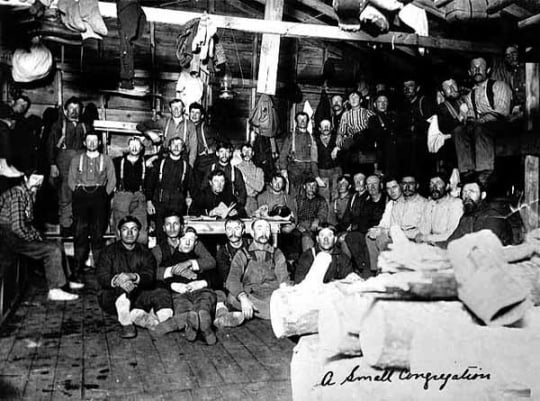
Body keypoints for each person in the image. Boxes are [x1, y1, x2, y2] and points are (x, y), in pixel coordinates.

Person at [0, 173, 80, 301]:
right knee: (51, 249)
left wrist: (37, 235)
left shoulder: (30, 193)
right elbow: (17, 227)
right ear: (25, 178)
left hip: (16, 234)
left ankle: (64, 282)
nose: (38, 181)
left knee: (57, 243)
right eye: (34, 178)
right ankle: (55, 289)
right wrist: (35, 237)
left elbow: (27, 222)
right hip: (9, 237)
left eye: (40, 178)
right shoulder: (18, 194)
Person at [96, 216, 173, 339]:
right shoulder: (108, 252)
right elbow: (102, 276)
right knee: (122, 291)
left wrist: (133, 276)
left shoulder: (145, 252)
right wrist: (119, 281)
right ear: (119, 232)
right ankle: (126, 323)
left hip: (138, 293)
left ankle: (161, 321)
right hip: (113, 296)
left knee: (162, 292)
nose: (130, 233)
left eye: (134, 229)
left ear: (139, 232)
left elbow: (149, 275)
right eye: (125, 229)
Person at [151, 213, 217, 338]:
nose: (172, 228)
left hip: (197, 287)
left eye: (175, 224)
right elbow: (151, 272)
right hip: (176, 289)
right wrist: (173, 271)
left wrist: (189, 263)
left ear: (181, 226)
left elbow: (211, 262)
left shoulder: (192, 242)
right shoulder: (159, 249)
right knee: (180, 304)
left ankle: (204, 325)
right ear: (163, 228)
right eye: (168, 224)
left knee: (204, 302)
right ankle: (188, 324)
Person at [68, 131, 116, 284]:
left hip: (99, 199)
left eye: (95, 140)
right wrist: (78, 191)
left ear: (99, 143)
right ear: (84, 142)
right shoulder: (77, 159)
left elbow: (112, 181)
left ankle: (100, 272)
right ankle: (76, 271)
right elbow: (71, 180)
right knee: (80, 234)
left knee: (97, 235)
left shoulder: (106, 159)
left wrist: (103, 195)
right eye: (89, 140)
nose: (92, 143)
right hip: (81, 198)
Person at [456, 57, 512, 186]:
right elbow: (470, 114)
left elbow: (502, 111)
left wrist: (480, 120)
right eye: (473, 68)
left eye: (480, 67)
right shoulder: (470, 95)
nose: (477, 70)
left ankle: (484, 172)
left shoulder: (499, 86)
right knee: (459, 131)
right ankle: (467, 171)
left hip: (501, 124)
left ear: (488, 70)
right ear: (469, 72)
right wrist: (469, 120)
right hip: (480, 126)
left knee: (481, 128)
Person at [226, 219, 291, 321]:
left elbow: (283, 278)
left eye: (267, 229)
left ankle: (252, 314)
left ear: (270, 233)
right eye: (259, 229)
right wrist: (243, 298)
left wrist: (285, 296)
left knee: (286, 301)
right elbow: (232, 279)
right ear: (252, 233)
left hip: (272, 296)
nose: (263, 233)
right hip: (251, 296)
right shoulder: (242, 253)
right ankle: (275, 315)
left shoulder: (277, 253)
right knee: (232, 297)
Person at [366, 175, 427, 273]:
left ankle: (385, 271)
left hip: (413, 238)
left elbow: (422, 230)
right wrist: (379, 229)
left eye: (394, 187)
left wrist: (386, 231)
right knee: (371, 236)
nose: (392, 191)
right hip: (397, 235)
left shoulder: (424, 203)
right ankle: (376, 270)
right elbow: (388, 224)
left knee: (383, 240)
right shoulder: (394, 204)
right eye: (388, 189)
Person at [47, 97, 88, 235]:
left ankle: (79, 226)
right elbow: (51, 146)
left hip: (81, 163)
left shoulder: (85, 126)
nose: (74, 111)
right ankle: (66, 226)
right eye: (71, 108)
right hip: (64, 162)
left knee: (81, 194)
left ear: (81, 111)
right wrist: (53, 164)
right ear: (65, 110)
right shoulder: (58, 126)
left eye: (77, 109)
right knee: (65, 194)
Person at [145, 136, 194, 243]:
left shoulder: (186, 166)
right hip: (160, 203)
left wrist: (190, 198)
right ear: (169, 147)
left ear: (182, 148)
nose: (176, 147)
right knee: (161, 234)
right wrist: (149, 202)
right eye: (173, 145)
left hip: (178, 204)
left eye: (179, 145)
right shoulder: (160, 164)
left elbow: (192, 187)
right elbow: (150, 184)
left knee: (176, 234)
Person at [340, 173, 385, 277]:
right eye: (369, 184)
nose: (372, 187)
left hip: (381, 233)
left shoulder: (386, 200)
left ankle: (374, 269)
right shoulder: (366, 203)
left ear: (380, 185)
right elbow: (360, 222)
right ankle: (362, 266)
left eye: (375, 184)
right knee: (351, 237)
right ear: (366, 186)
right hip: (367, 233)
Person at [444, 178, 512, 246]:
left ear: (483, 195)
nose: (467, 195)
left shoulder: (493, 216)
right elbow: (452, 241)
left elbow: (483, 248)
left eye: (472, 191)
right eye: (464, 192)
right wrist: (435, 245)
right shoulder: (466, 217)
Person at [137, 98, 198, 167]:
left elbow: (193, 148)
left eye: (179, 107)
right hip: (166, 156)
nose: (176, 109)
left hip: (182, 158)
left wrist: (189, 166)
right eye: (173, 107)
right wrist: (149, 133)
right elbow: (140, 125)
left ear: (183, 109)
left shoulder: (190, 125)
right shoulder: (164, 122)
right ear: (170, 109)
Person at [399, 79, 437, 186]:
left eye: (410, 86)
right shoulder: (403, 105)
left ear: (417, 88)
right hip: (408, 141)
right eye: (405, 87)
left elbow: (431, 122)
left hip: (424, 138)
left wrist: (416, 127)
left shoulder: (424, 102)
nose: (407, 89)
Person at [112, 136, 148, 244]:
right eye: (132, 145)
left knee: (141, 232)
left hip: (139, 197)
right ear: (128, 147)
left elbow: (163, 153)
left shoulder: (146, 162)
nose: (134, 148)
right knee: (121, 230)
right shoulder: (117, 162)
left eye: (137, 146)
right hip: (122, 197)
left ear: (141, 148)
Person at [278, 112, 319, 197]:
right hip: (294, 172)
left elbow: (315, 158)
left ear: (307, 122)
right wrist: (283, 170)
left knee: (308, 196)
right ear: (296, 121)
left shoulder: (311, 137)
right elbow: (283, 155)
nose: (302, 121)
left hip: (308, 172)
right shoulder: (291, 137)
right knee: (294, 197)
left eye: (304, 119)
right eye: (300, 119)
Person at [416, 174, 463, 244]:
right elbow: (424, 230)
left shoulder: (456, 203)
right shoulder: (429, 204)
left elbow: (451, 234)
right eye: (431, 184)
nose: (434, 187)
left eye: (438, 183)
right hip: (431, 245)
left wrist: (426, 238)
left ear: (447, 186)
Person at [336, 90, 375, 174]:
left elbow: (374, 130)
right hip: (352, 145)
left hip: (365, 144)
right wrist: (338, 141)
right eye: (351, 98)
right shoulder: (345, 114)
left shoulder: (368, 113)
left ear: (360, 100)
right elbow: (341, 132)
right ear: (349, 101)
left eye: (356, 97)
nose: (353, 100)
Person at [204, 141, 247, 211]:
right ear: (217, 153)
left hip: (229, 206)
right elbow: (204, 189)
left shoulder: (235, 171)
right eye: (221, 152)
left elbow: (242, 192)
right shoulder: (211, 169)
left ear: (230, 154)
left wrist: (236, 208)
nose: (224, 155)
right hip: (212, 205)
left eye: (227, 152)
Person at [367, 92, 399, 176]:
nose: (382, 104)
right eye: (379, 101)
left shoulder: (394, 117)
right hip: (382, 155)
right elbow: (377, 137)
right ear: (375, 104)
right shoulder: (373, 119)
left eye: (385, 101)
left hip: (396, 154)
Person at [10, 94, 43, 176]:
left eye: (25, 106)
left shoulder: (23, 121)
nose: (23, 107)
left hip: (17, 158)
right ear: (12, 102)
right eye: (21, 104)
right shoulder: (6, 115)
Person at [296, 176, 329, 252]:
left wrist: (317, 220)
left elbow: (323, 214)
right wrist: (297, 225)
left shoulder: (320, 200)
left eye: (314, 186)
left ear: (316, 188)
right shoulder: (298, 199)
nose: (311, 188)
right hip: (299, 226)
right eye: (309, 185)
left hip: (314, 227)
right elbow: (293, 213)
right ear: (304, 187)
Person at [314, 118, 341, 204]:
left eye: (328, 126)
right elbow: (313, 160)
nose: (326, 127)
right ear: (319, 129)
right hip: (322, 172)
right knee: (323, 198)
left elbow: (347, 144)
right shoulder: (315, 140)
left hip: (336, 172)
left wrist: (338, 147)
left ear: (332, 128)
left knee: (336, 197)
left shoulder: (337, 139)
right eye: (323, 126)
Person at [189, 102, 217, 183]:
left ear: (201, 116)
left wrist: (213, 148)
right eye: (192, 112)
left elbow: (223, 141)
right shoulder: (187, 127)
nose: (194, 115)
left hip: (206, 160)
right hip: (192, 160)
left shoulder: (205, 128)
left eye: (197, 113)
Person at [236, 143, 265, 216]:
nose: (247, 153)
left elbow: (259, 187)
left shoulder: (258, 170)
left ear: (253, 153)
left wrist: (245, 179)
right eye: (244, 151)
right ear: (240, 153)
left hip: (251, 201)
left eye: (249, 151)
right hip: (237, 201)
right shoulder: (235, 168)